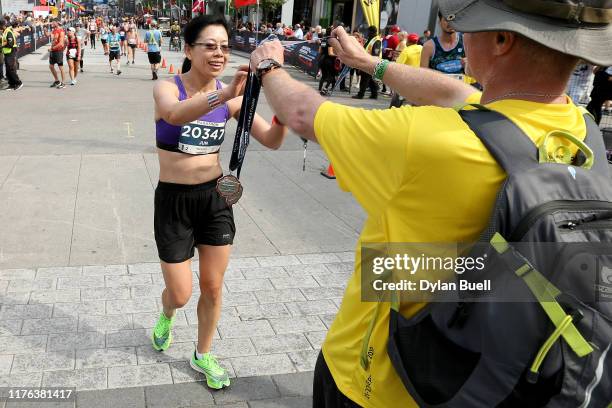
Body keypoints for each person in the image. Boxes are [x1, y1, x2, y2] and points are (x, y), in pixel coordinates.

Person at [249, 0, 612, 406]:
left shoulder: (431, 140)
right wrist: (371, 63)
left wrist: (269, 66)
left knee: (389, 267)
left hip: (378, 381)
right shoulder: (583, 131)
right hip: (487, 373)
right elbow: (457, 92)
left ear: (502, 39)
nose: (463, 36)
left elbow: (300, 113)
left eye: (472, 25)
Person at [151, 15, 287, 390]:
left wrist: (283, 107)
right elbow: (174, 114)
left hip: (214, 199)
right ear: (188, 50)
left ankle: (203, 353)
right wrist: (225, 94)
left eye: (224, 47)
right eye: (210, 46)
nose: (219, 53)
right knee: (180, 294)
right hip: (173, 202)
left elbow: (273, 139)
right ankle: (166, 314)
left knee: (212, 286)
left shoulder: (232, 99)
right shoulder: (168, 88)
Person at [421, 11, 466, 78]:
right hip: (437, 87)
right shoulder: (429, 46)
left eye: (454, 19)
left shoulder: (466, 42)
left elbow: (478, 75)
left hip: (462, 87)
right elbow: (423, 77)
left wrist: (469, 67)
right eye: (447, 19)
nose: (450, 23)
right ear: (439, 22)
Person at [352, 25, 381, 99]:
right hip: (368, 61)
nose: (367, 33)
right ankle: (374, 94)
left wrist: (372, 61)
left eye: (368, 31)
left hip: (371, 62)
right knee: (370, 79)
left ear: (372, 32)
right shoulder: (371, 39)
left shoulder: (376, 40)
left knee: (364, 78)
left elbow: (376, 53)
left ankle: (360, 94)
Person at [1, 19, 22, 90]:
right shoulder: (5, 31)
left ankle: (18, 83)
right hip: (7, 52)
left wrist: (2, 46)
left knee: (11, 69)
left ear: (2, 25)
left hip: (11, 52)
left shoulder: (8, 32)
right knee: (8, 69)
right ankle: (11, 84)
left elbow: (10, 44)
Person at [48, 19, 66, 89]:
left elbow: (61, 43)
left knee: (60, 67)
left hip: (58, 51)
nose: (51, 23)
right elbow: (48, 35)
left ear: (57, 23)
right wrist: (44, 29)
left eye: (53, 22)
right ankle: (57, 81)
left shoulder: (61, 31)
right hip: (53, 51)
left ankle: (63, 83)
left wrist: (52, 48)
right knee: (51, 66)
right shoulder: (54, 30)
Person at [318, 31, 337, 96]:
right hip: (329, 61)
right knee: (331, 76)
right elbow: (330, 53)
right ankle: (325, 89)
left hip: (322, 59)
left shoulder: (323, 40)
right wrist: (338, 55)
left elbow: (320, 51)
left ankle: (319, 90)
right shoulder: (330, 41)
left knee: (323, 76)